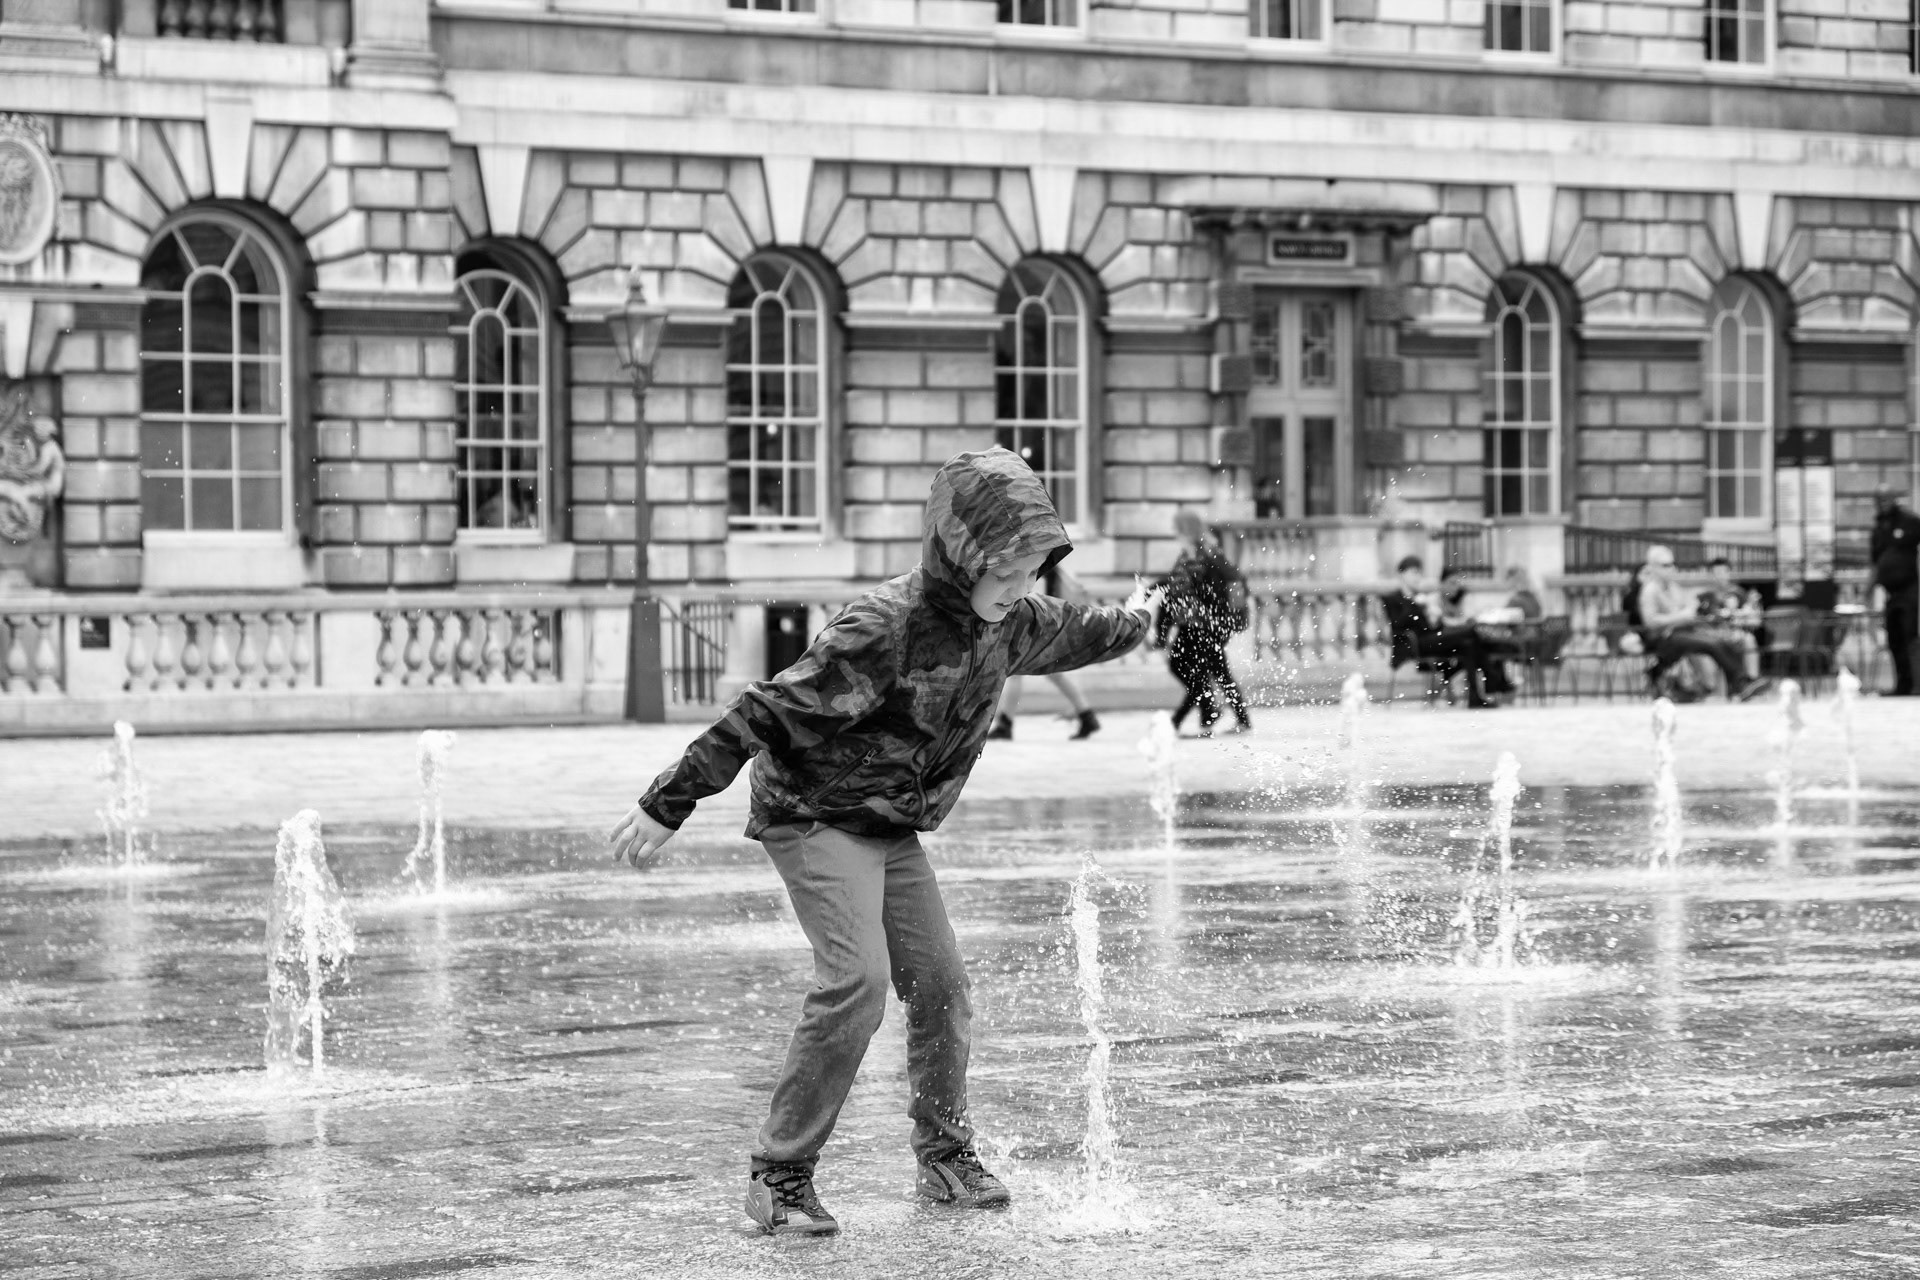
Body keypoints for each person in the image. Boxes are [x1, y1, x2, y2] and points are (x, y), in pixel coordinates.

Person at [606, 448, 1157, 1238]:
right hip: (812, 812)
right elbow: (763, 712)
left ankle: (945, 1157)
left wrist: (1142, 615)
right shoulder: (883, 626)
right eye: (1003, 571)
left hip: (888, 823)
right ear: (960, 555)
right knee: (857, 981)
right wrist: (669, 803)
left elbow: (1086, 632)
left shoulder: (1014, 623)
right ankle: (779, 1175)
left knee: (940, 983)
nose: (1018, 587)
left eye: (1032, 571)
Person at [1154, 510, 1252, 737]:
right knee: (1206, 671)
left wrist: (1223, 621)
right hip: (1189, 624)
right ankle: (1220, 716)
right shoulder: (1187, 555)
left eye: (1177, 527)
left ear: (1186, 530)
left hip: (1206, 626)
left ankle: (1189, 720)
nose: (1174, 532)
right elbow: (1175, 588)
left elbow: (1232, 581)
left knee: (1202, 673)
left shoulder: (1208, 554)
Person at [986, 563, 1101, 740]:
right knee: (1052, 674)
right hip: (1048, 621)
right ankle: (1086, 715)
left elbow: (1031, 596)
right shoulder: (1047, 562)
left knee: (1016, 672)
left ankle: (1005, 724)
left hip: (1037, 623)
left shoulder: (1036, 562)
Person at [1636, 545, 1766, 701]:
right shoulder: (1650, 590)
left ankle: (1741, 684)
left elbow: (1687, 608)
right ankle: (1740, 684)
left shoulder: (1673, 587)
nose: (1671, 568)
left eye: (1672, 564)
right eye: (1666, 565)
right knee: (1712, 644)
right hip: (1664, 638)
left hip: (1681, 633)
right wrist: (1681, 616)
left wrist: (1690, 610)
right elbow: (1650, 622)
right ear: (1653, 567)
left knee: (1719, 641)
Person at [1378, 555, 1508, 708]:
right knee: (1472, 631)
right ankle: (1494, 681)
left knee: (1469, 644)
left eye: (1419, 573)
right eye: (1414, 572)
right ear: (1402, 574)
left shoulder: (1420, 597)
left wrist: (1432, 617)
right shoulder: (1393, 598)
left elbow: (1428, 627)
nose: (1417, 577)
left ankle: (1475, 698)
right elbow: (1398, 624)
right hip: (1415, 644)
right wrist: (1414, 604)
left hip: (1430, 639)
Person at [1870, 484, 1920, 696]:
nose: (1883, 503)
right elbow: (1875, 563)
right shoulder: (1879, 528)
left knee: (1910, 638)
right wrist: (1867, 593)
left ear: (1894, 499)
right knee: (1895, 639)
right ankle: (1902, 685)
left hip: (1910, 591)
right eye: (1879, 499)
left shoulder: (1910, 520)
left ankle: (1917, 685)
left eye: (1886, 499)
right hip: (1890, 594)